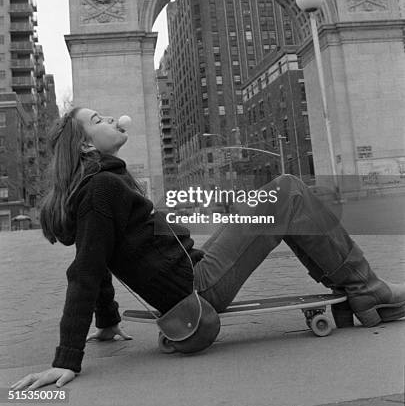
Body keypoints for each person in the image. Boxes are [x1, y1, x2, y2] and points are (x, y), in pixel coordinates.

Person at [11, 107, 405, 391]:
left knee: (277, 205)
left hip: (194, 272)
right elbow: (85, 269)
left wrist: (109, 321)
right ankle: (366, 289)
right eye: (98, 121)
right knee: (289, 191)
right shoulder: (102, 188)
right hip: (198, 287)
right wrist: (66, 360)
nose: (113, 119)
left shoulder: (103, 185)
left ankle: (362, 289)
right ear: (85, 148)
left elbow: (95, 258)